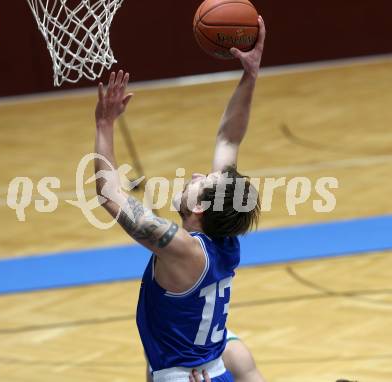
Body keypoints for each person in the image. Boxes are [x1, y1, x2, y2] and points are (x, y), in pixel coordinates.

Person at [94, 15, 266, 382]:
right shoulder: (224, 239)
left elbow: (109, 194)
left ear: (201, 207)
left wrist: (104, 124)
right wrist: (249, 76)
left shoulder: (181, 247)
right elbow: (228, 140)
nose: (196, 175)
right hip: (210, 367)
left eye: (202, 182)